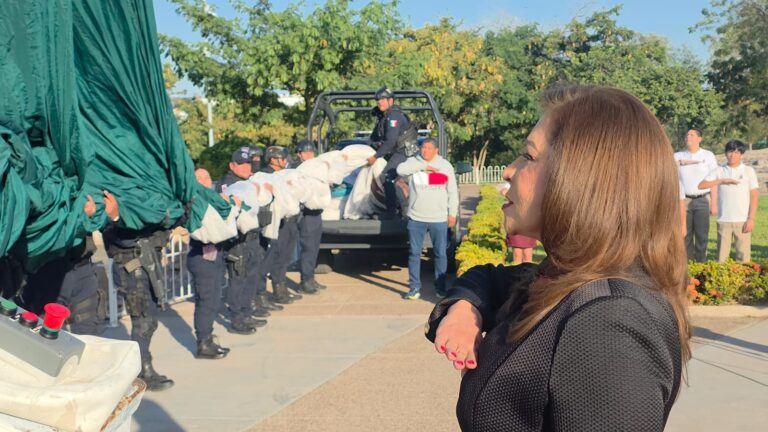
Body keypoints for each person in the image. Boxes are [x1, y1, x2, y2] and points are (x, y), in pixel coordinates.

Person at [425, 85, 691, 431]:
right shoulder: (568, 277)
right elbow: (489, 279)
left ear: (581, 180)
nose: (509, 170)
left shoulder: (607, 322)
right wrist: (464, 310)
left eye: (528, 156)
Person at [102, 194, 176, 392]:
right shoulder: (114, 199)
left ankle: (141, 367)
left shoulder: (144, 194)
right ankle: (141, 371)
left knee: (149, 321)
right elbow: (113, 233)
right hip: (132, 269)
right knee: (142, 322)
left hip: (148, 266)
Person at [22, 192, 114, 336]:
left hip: (82, 267)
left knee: (88, 338)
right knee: (46, 340)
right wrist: (79, 215)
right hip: (46, 272)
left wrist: (106, 215)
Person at [396, 138, 458, 300]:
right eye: (423, 148)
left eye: (430, 148)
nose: (426, 151)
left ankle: (440, 287)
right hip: (416, 218)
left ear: (436, 150)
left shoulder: (445, 166)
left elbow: (452, 192)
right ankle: (414, 287)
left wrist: (452, 213)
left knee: (440, 253)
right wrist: (423, 166)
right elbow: (400, 170)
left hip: (439, 218)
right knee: (414, 253)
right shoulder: (413, 163)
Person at [216, 150, 271, 332]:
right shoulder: (228, 186)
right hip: (237, 242)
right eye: (242, 164)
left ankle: (247, 313)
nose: (247, 167)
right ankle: (236, 318)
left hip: (253, 239)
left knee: (251, 278)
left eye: (249, 164)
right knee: (238, 280)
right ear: (232, 165)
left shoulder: (250, 184)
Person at [698, 140, 759, 262]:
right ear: (726, 153)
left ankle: (743, 280)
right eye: (730, 151)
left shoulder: (748, 171)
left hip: (742, 220)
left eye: (736, 152)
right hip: (724, 220)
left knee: (744, 259)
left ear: (741, 154)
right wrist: (721, 181)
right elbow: (701, 185)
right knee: (721, 259)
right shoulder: (719, 170)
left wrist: (751, 218)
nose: (733, 155)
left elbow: (754, 196)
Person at [258, 145, 302, 304]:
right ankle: (261, 294)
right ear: (273, 159)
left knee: (284, 257)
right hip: (276, 223)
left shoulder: (286, 174)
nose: (285, 161)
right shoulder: (264, 176)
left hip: (290, 221)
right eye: (283, 158)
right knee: (270, 258)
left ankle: (280, 290)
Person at [366, 87, 412, 219]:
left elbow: (390, 141)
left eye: (383, 99)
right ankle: (394, 209)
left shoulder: (394, 116)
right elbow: (375, 140)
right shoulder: (384, 117)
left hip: (404, 152)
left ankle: (398, 211)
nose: (380, 102)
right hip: (394, 153)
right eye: (378, 100)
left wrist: (375, 156)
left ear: (391, 100)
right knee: (386, 177)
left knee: (388, 177)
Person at [674, 129, 718, 262]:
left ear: (700, 139)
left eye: (692, 135)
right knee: (684, 235)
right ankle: (686, 265)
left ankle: (700, 265)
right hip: (683, 201)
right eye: (687, 134)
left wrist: (714, 203)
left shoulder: (708, 156)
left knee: (702, 235)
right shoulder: (677, 156)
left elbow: (713, 180)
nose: (688, 136)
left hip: (702, 200)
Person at [294, 140, 326, 294]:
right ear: (299, 154)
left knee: (314, 247)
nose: (309, 155)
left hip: (316, 213)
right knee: (307, 247)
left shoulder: (317, 168)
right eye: (305, 152)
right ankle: (305, 281)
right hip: (304, 214)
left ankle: (310, 278)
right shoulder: (296, 170)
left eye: (311, 152)